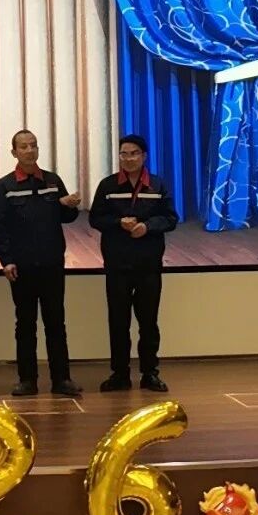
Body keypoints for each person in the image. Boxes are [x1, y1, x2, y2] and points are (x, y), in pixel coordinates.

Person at [0, 130, 83, 397]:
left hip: (52, 264)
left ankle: (61, 379)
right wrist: (6, 260)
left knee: (56, 323)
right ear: (14, 152)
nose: (30, 150)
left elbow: (67, 218)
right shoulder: (5, 186)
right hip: (21, 267)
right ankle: (27, 380)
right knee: (25, 324)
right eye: (24, 147)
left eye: (33, 145)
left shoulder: (53, 181)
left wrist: (69, 205)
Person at [89, 134, 177, 393]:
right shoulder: (108, 185)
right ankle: (119, 374)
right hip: (117, 265)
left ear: (144, 156)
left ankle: (150, 373)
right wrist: (119, 223)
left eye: (134, 153)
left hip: (148, 265)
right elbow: (95, 219)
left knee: (148, 322)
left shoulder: (157, 185)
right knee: (118, 322)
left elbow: (170, 218)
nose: (128, 159)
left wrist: (147, 227)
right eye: (123, 154)